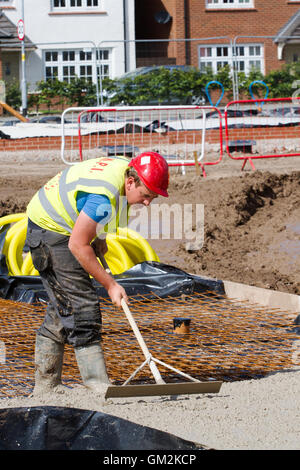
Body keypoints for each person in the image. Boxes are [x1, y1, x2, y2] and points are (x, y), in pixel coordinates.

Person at [26, 151, 169, 395]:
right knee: (82, 305)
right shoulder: (102, 197)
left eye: (153, 198)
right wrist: (111, 284)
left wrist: (99, 235)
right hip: (50, 230)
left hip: (64, 223)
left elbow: (97, 213)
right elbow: (77, 245)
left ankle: (46, 386)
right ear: (131, 181)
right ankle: (97, 385)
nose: (147, 203)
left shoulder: (126, 171)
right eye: (146, 195)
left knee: (63, 304)